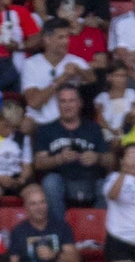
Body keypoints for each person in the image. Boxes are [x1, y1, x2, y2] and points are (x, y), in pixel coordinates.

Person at [32, 84, 110, 224]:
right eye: (63, 101)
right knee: (50, 182)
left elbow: (111, 160)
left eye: (72, 101)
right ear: (58, 104)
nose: (67, 105)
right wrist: (59, 158)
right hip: (62, 183)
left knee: (107, 184)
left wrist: (97, 158)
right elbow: (38, 162)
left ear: (80, 103)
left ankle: (98, 230)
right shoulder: (46, 129)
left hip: (90, 181)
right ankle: (60, 230)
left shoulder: (93, 128)